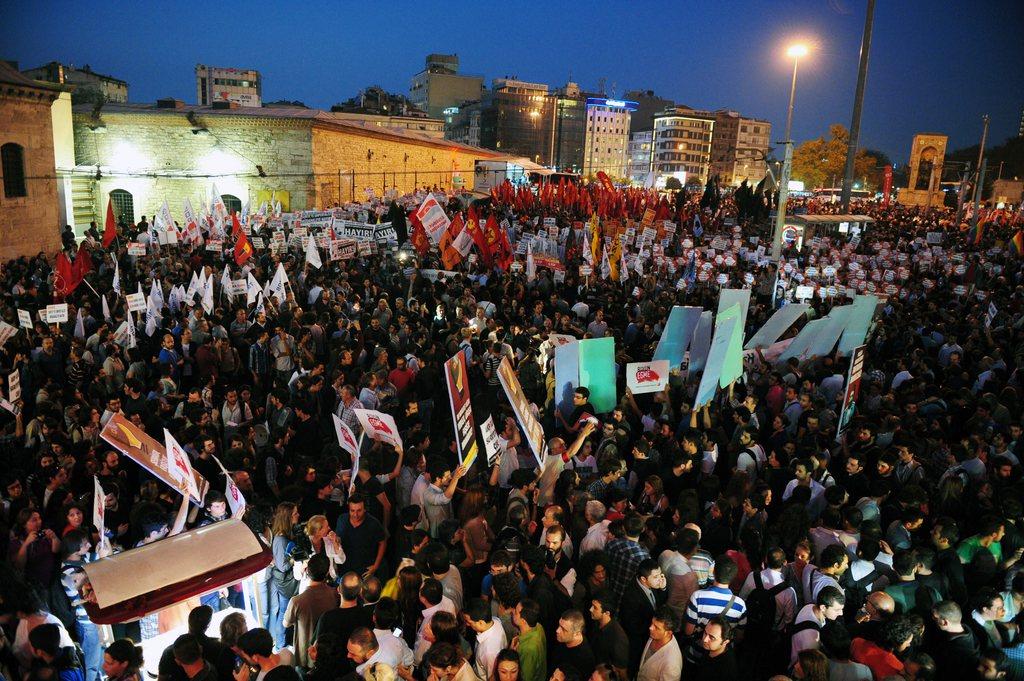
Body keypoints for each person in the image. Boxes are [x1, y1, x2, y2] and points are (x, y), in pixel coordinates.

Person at [283, 554, 338, 668]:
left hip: (305, 654)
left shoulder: (297, 601)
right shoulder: (335, 594)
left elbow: (286, 623)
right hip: (327, 651)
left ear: (307, 571)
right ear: (327, 573)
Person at [636, 606, 683, 681]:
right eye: (652, 623)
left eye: (656, 627)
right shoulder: (655, 635)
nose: (650, 628)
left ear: (669, 633)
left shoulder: (672, 664)